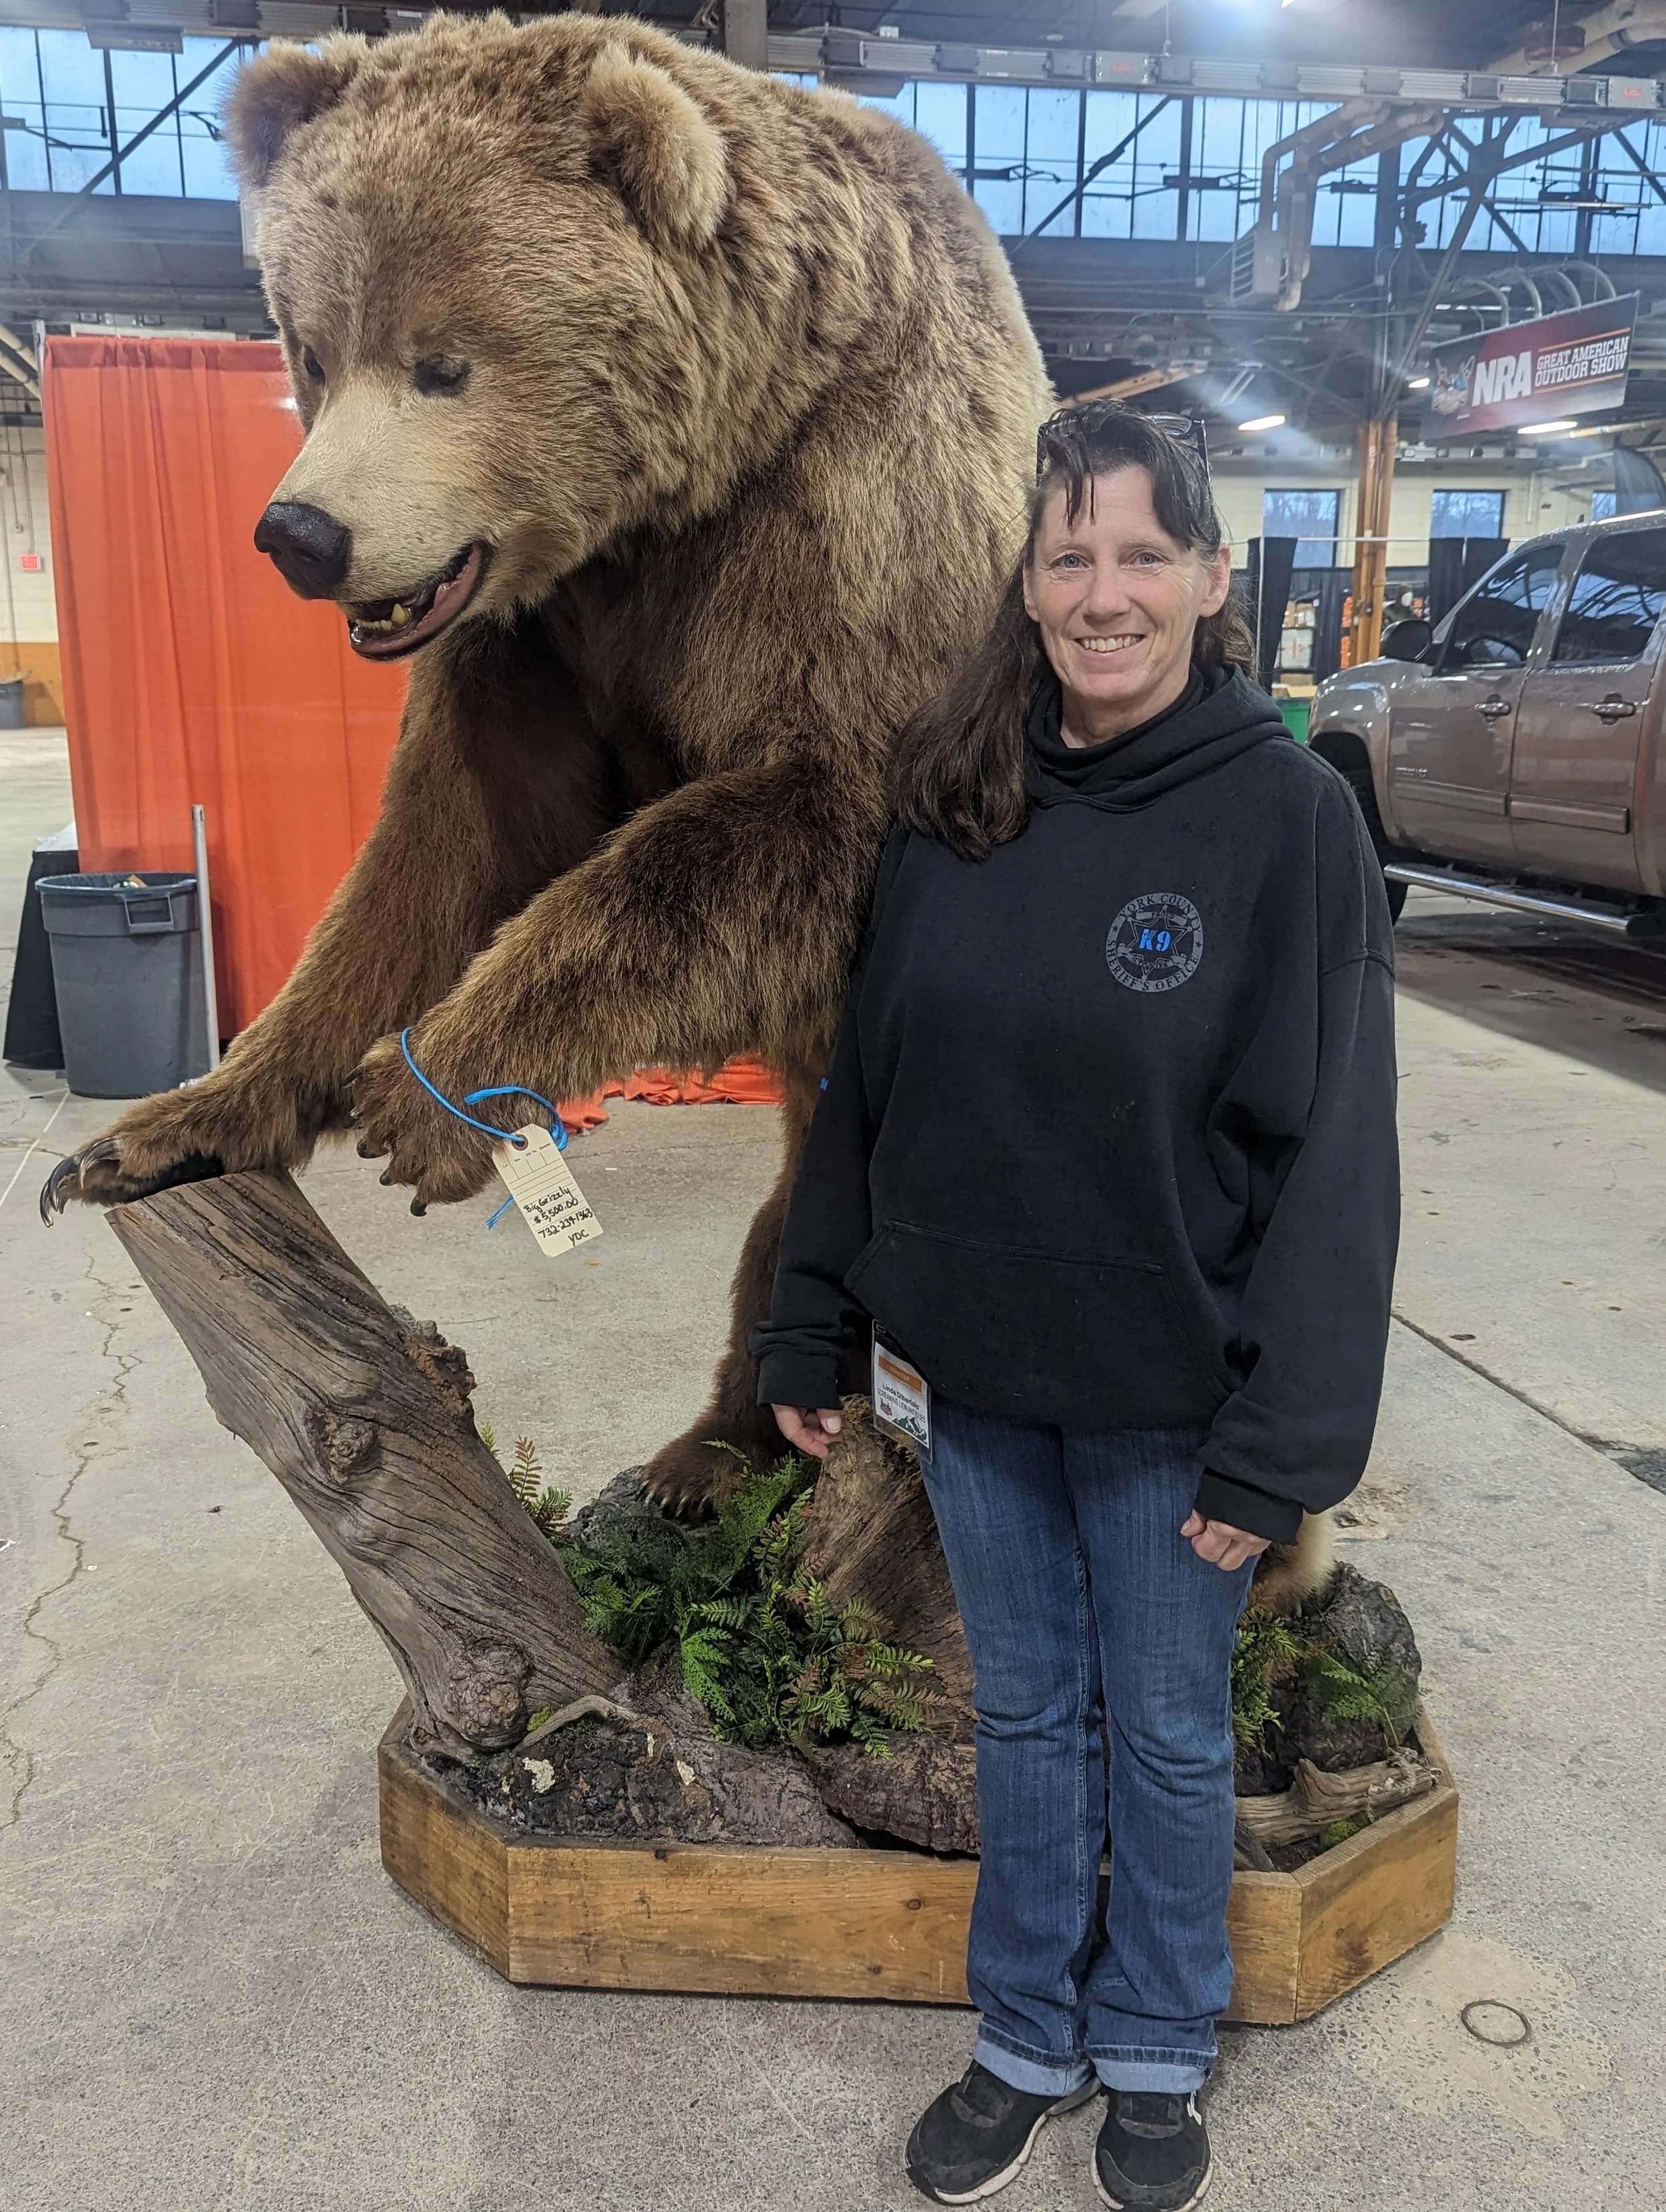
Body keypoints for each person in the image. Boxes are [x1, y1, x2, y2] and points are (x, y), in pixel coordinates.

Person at [750, 402, 1399, 2211]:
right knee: (1026, 1723)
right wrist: (808, 1315)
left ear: (1209, 578)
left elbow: (1339, 1159)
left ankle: (1157, 2043)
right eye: (1069, 557)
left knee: (1169, 1733)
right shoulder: (956, 805)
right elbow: (867, 1091)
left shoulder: (1288, 821)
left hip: (1172, 1403)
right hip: (975, 1386)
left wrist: (1283, 1443)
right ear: (1027, 587)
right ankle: (1027, 2033)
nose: (1104, 593)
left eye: (1140, 554)